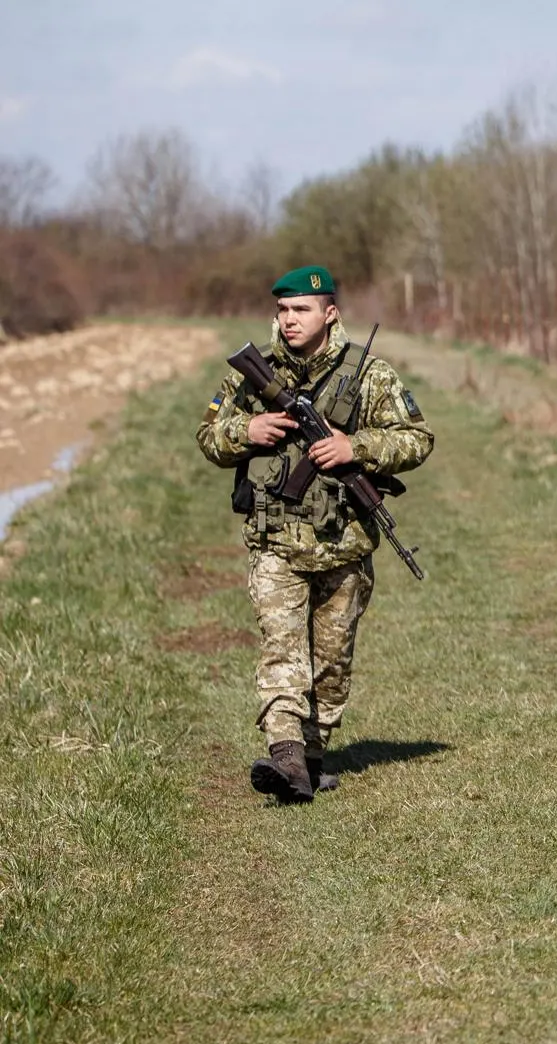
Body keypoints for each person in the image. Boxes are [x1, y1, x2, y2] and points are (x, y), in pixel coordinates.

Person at [196, 266, 434, 803]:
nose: (289, 320)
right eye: (282, 310)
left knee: (331, 662)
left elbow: (417, 440)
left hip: (344, 544)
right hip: (274, 543)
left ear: (330, 314)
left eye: (301, 310)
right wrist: (246, 431)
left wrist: (358, 449)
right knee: (281, 649)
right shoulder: (252, 373)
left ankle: (311, 756)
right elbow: (208, 437)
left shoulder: (370, 375)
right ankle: (285, 756)